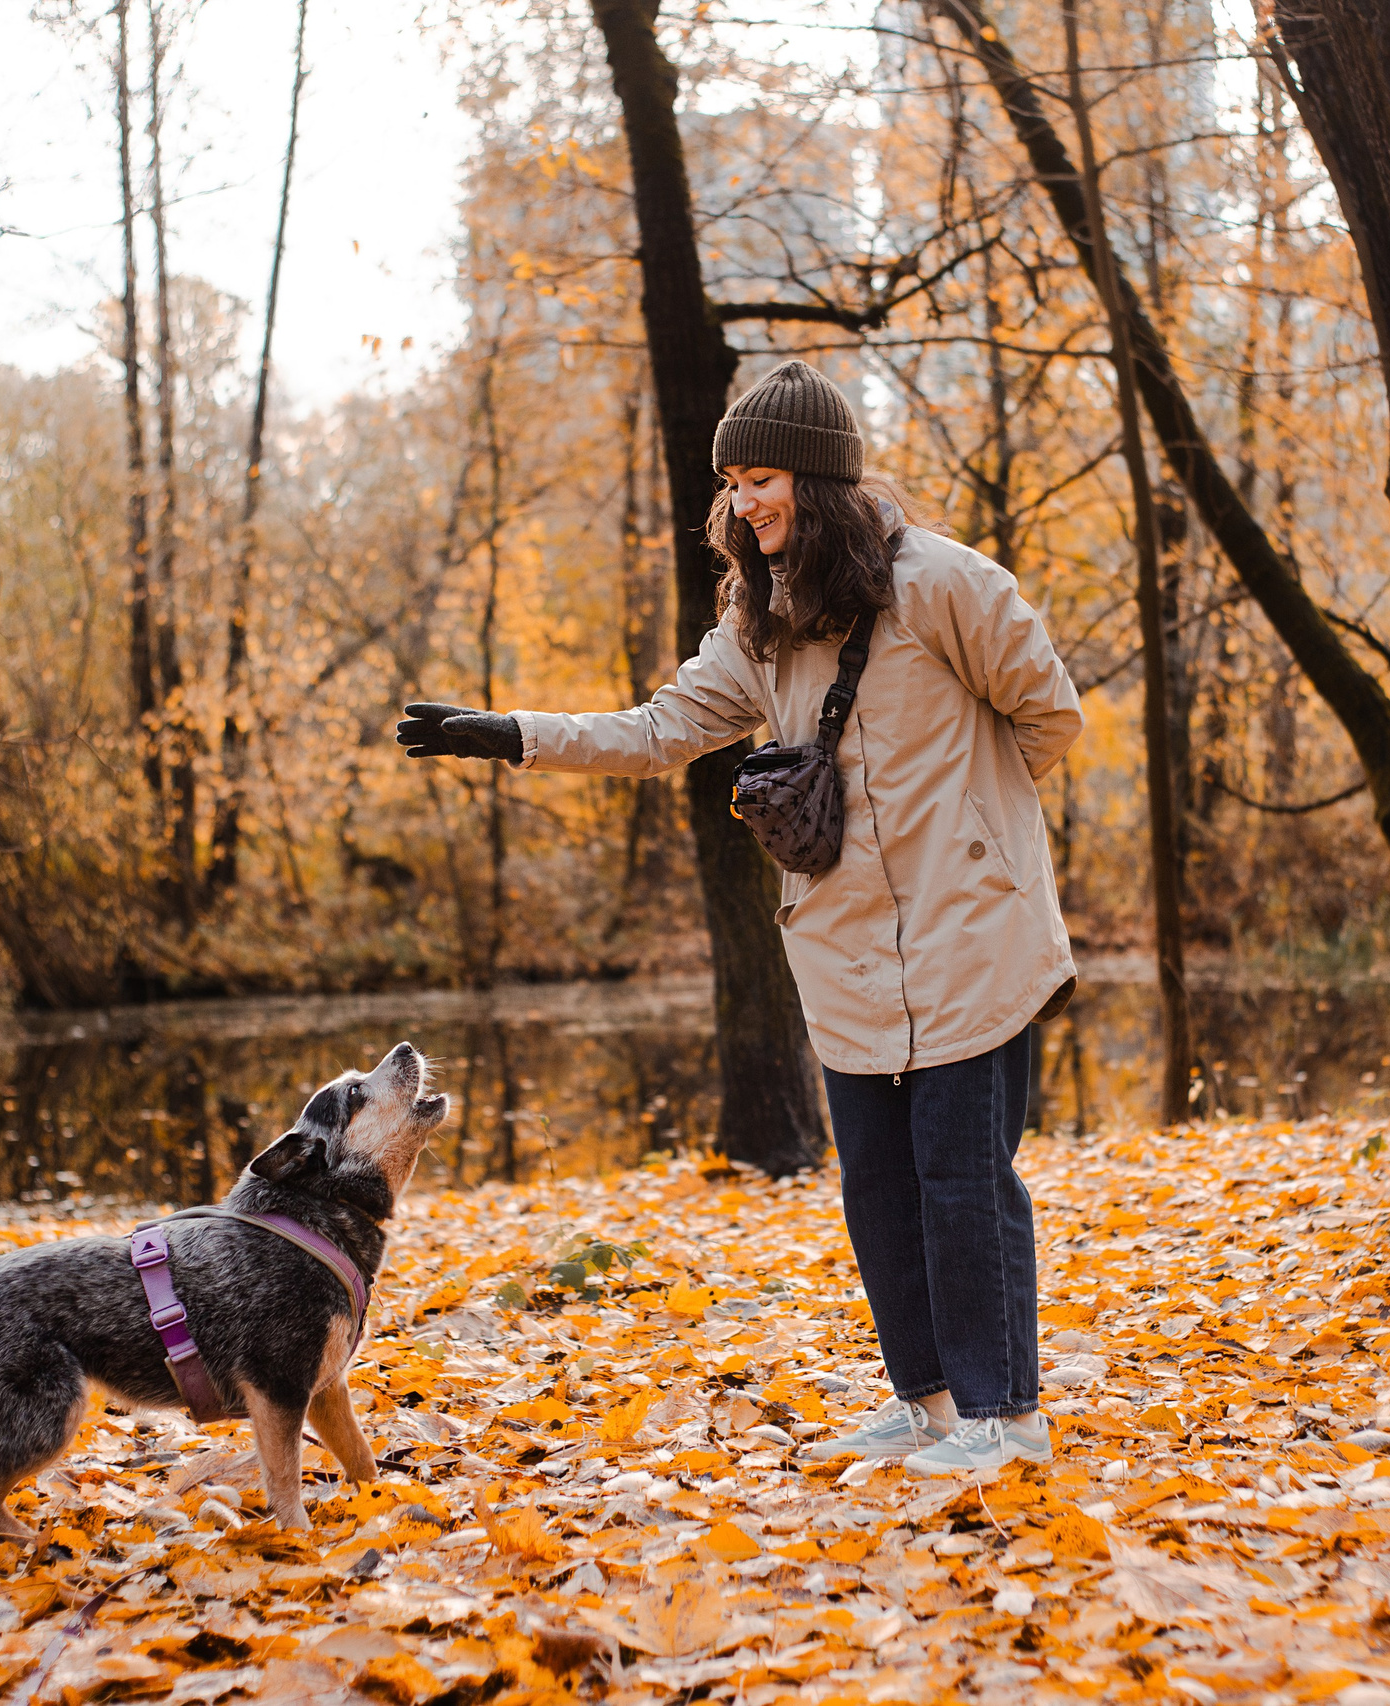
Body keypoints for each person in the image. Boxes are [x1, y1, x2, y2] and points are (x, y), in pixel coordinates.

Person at [398, 359, 1081, 1474]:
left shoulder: (950, 584)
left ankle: (1009, 1421)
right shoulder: (756, 621)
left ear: (819, 481)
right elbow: (658, 730)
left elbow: (1048, 715)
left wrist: (974, 840)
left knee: (963, 1177)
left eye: (762, 477)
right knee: (874, 1187)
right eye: (733, 482)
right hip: (843, 944)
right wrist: (508, 731)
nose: (745, 502)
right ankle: (931, 1411)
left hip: (969, 935)